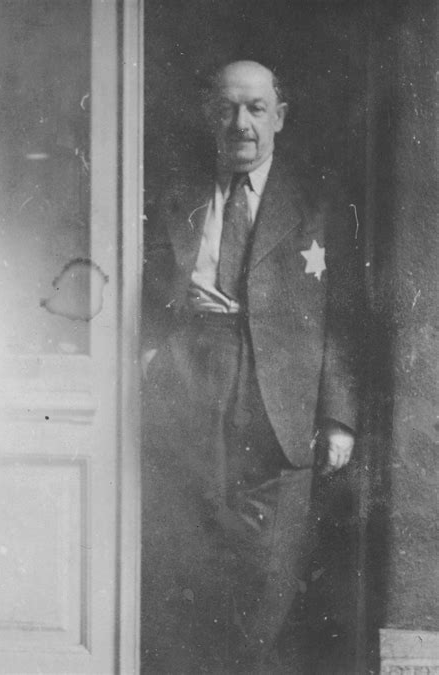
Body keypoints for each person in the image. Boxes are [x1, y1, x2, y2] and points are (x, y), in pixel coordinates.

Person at [141, 60, 360, 673]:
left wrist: (338, 416)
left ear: (279, 117)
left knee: (267, 573)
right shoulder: (173, 195)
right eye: (228, 109)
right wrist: (157, 332)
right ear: (209, 116)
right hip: (188, 383)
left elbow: (340, 318)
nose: (242, 124)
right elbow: (134, 292)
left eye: (256, 109)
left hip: (278, 398)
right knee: (188, 554)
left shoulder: (315, 202)